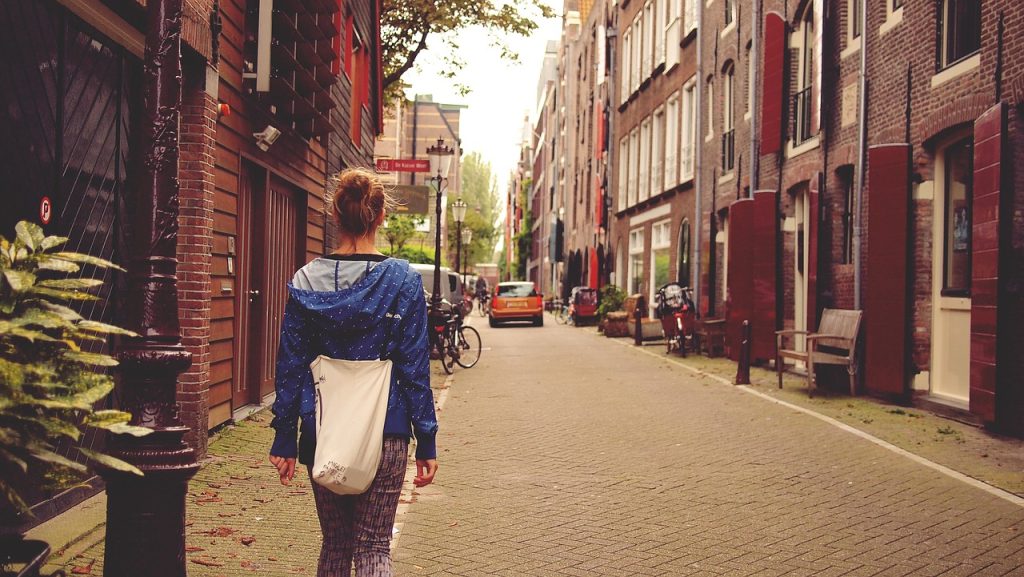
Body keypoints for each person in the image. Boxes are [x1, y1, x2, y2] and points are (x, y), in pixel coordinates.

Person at [268, 168, 438, 577]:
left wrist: (284, 438)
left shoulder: (306, 281)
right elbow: (415, 367)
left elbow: (291, 365)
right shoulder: (403, 280)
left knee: (335, 546)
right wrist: (427, 440)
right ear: (380, 217)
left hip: (322, 429)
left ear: (335, 215)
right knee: (374, 547)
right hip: (388, 428)